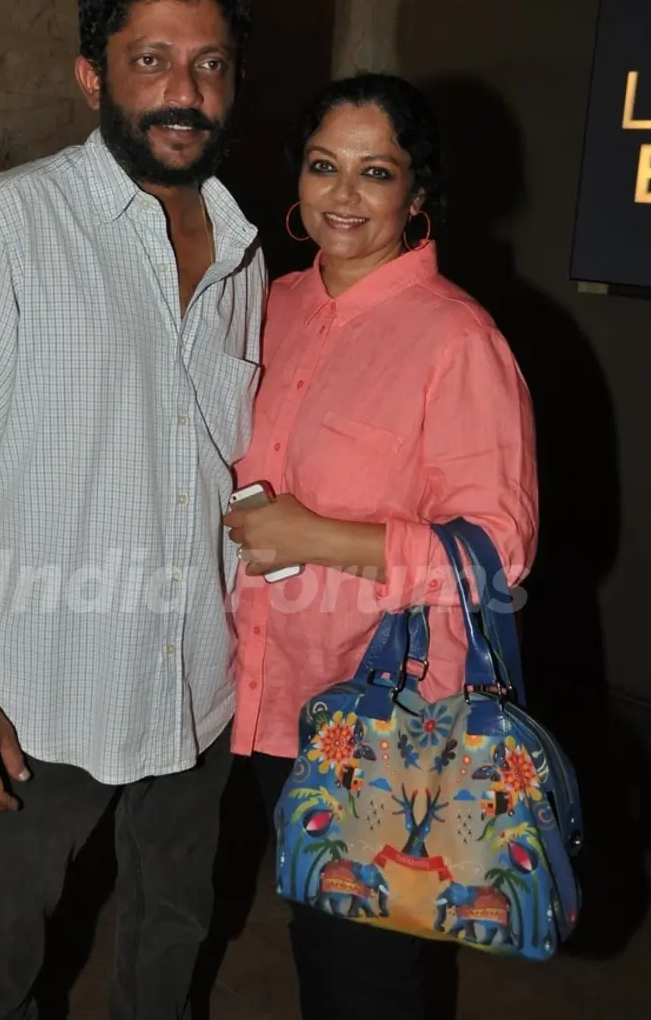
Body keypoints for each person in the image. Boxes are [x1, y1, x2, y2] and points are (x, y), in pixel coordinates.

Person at [0, 0, 266, 1020]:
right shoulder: (7, 229)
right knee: (3, 958)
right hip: (43, 694)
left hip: (196, 682)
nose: (183, 92)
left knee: (173, 920)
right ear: (92, 74)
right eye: (150, 60)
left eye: (210, 63)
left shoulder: (243, 248)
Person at [223, 73, 538, 1019]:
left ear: (416, 193)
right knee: (301, 932)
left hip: (380, 721)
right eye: (325, 166)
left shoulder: (458, 339)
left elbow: (497, 548)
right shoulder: (265, 304)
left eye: (375, 171)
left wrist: (312, 533)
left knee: (362, 976)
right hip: (255, 694)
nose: (343, 195)